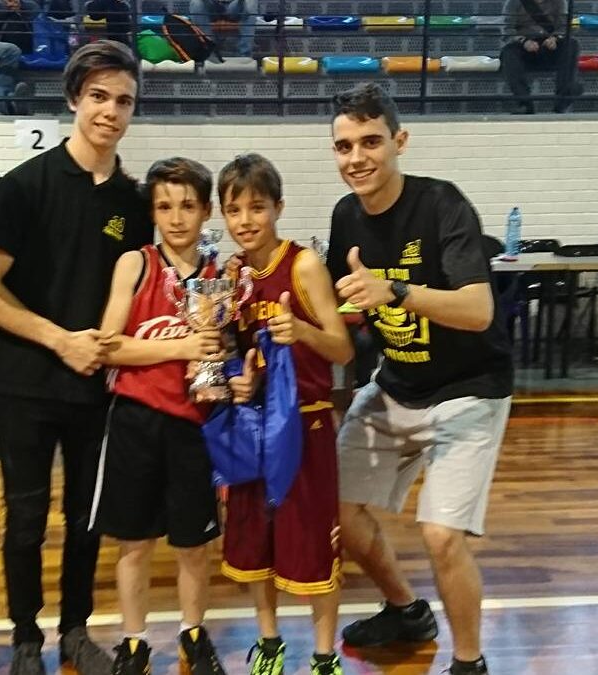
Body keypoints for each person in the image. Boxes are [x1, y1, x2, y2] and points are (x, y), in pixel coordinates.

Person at [0, 40, 152, 675]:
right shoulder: (24, 187)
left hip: (96, 387)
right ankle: (25, 637)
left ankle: (75, 630)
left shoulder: (134, 203)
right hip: (25, 382)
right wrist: (58, 338)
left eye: (123, 100)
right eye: (98, 96)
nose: (110, 111)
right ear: (74, 99)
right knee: (24, 518)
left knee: (84, 519)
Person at [325, 83, 513, 675]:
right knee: (340, 509)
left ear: (399, 141)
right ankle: (406, 611)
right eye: (344, 146)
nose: (357, 157)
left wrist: (396, 290)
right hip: (396, 385)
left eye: (371, 141)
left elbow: (478, 310)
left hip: (469, 387)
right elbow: (338, 307)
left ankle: (469, 662)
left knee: (440, 535)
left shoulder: (442, 204)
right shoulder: (345, 216)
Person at [90, 157, 226, 675]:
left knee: (195, 544)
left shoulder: (218, 278)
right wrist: (182, 346)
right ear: (152, 211)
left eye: (188, 206)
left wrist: (223, 362)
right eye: (165, 206)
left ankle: (193, 633)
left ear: (206, 210)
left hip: (193, 425)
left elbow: (218, 355)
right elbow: (109, 345)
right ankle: (133, 641)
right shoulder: (136, 264)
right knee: (134, 543)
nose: (176, 218)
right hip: (135, 421)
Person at [220, 153, 353, 675]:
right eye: (234, 210)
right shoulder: (232, 275)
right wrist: (241, 375)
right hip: (254, 426)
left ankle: (324, 654)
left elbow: (342, 348)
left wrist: (301, 331)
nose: (246, 220)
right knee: (256, 541)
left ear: (278, 207)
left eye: (257, 207)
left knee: (313, 543)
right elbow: (241, 352)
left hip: (305, 424)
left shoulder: (303, 265)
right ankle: (269, 642)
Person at [500, 0, 582, 114]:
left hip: (550, 47)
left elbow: (564, 27)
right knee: (508, 52)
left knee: (572, 44)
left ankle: (562, 101)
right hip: (523, 48)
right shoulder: (513, 2)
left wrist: (555, 38)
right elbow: (507, 30)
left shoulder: (559, 2)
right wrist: (524, 41)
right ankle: (524, 103)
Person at [188, 0, 258, 58]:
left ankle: (245, 56)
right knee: (196, 2)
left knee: (251, 1)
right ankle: (207, 53)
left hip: (234, 6)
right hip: (213, 5)